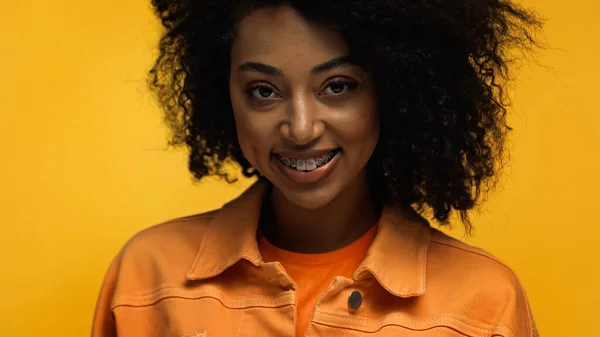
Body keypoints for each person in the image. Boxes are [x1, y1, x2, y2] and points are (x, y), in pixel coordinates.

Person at [92, 1, 542, 336]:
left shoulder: (483, 304)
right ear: (222, 92)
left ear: (394, 91)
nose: (301, 129)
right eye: (263, 91)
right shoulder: (146, 279)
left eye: (338, 86)